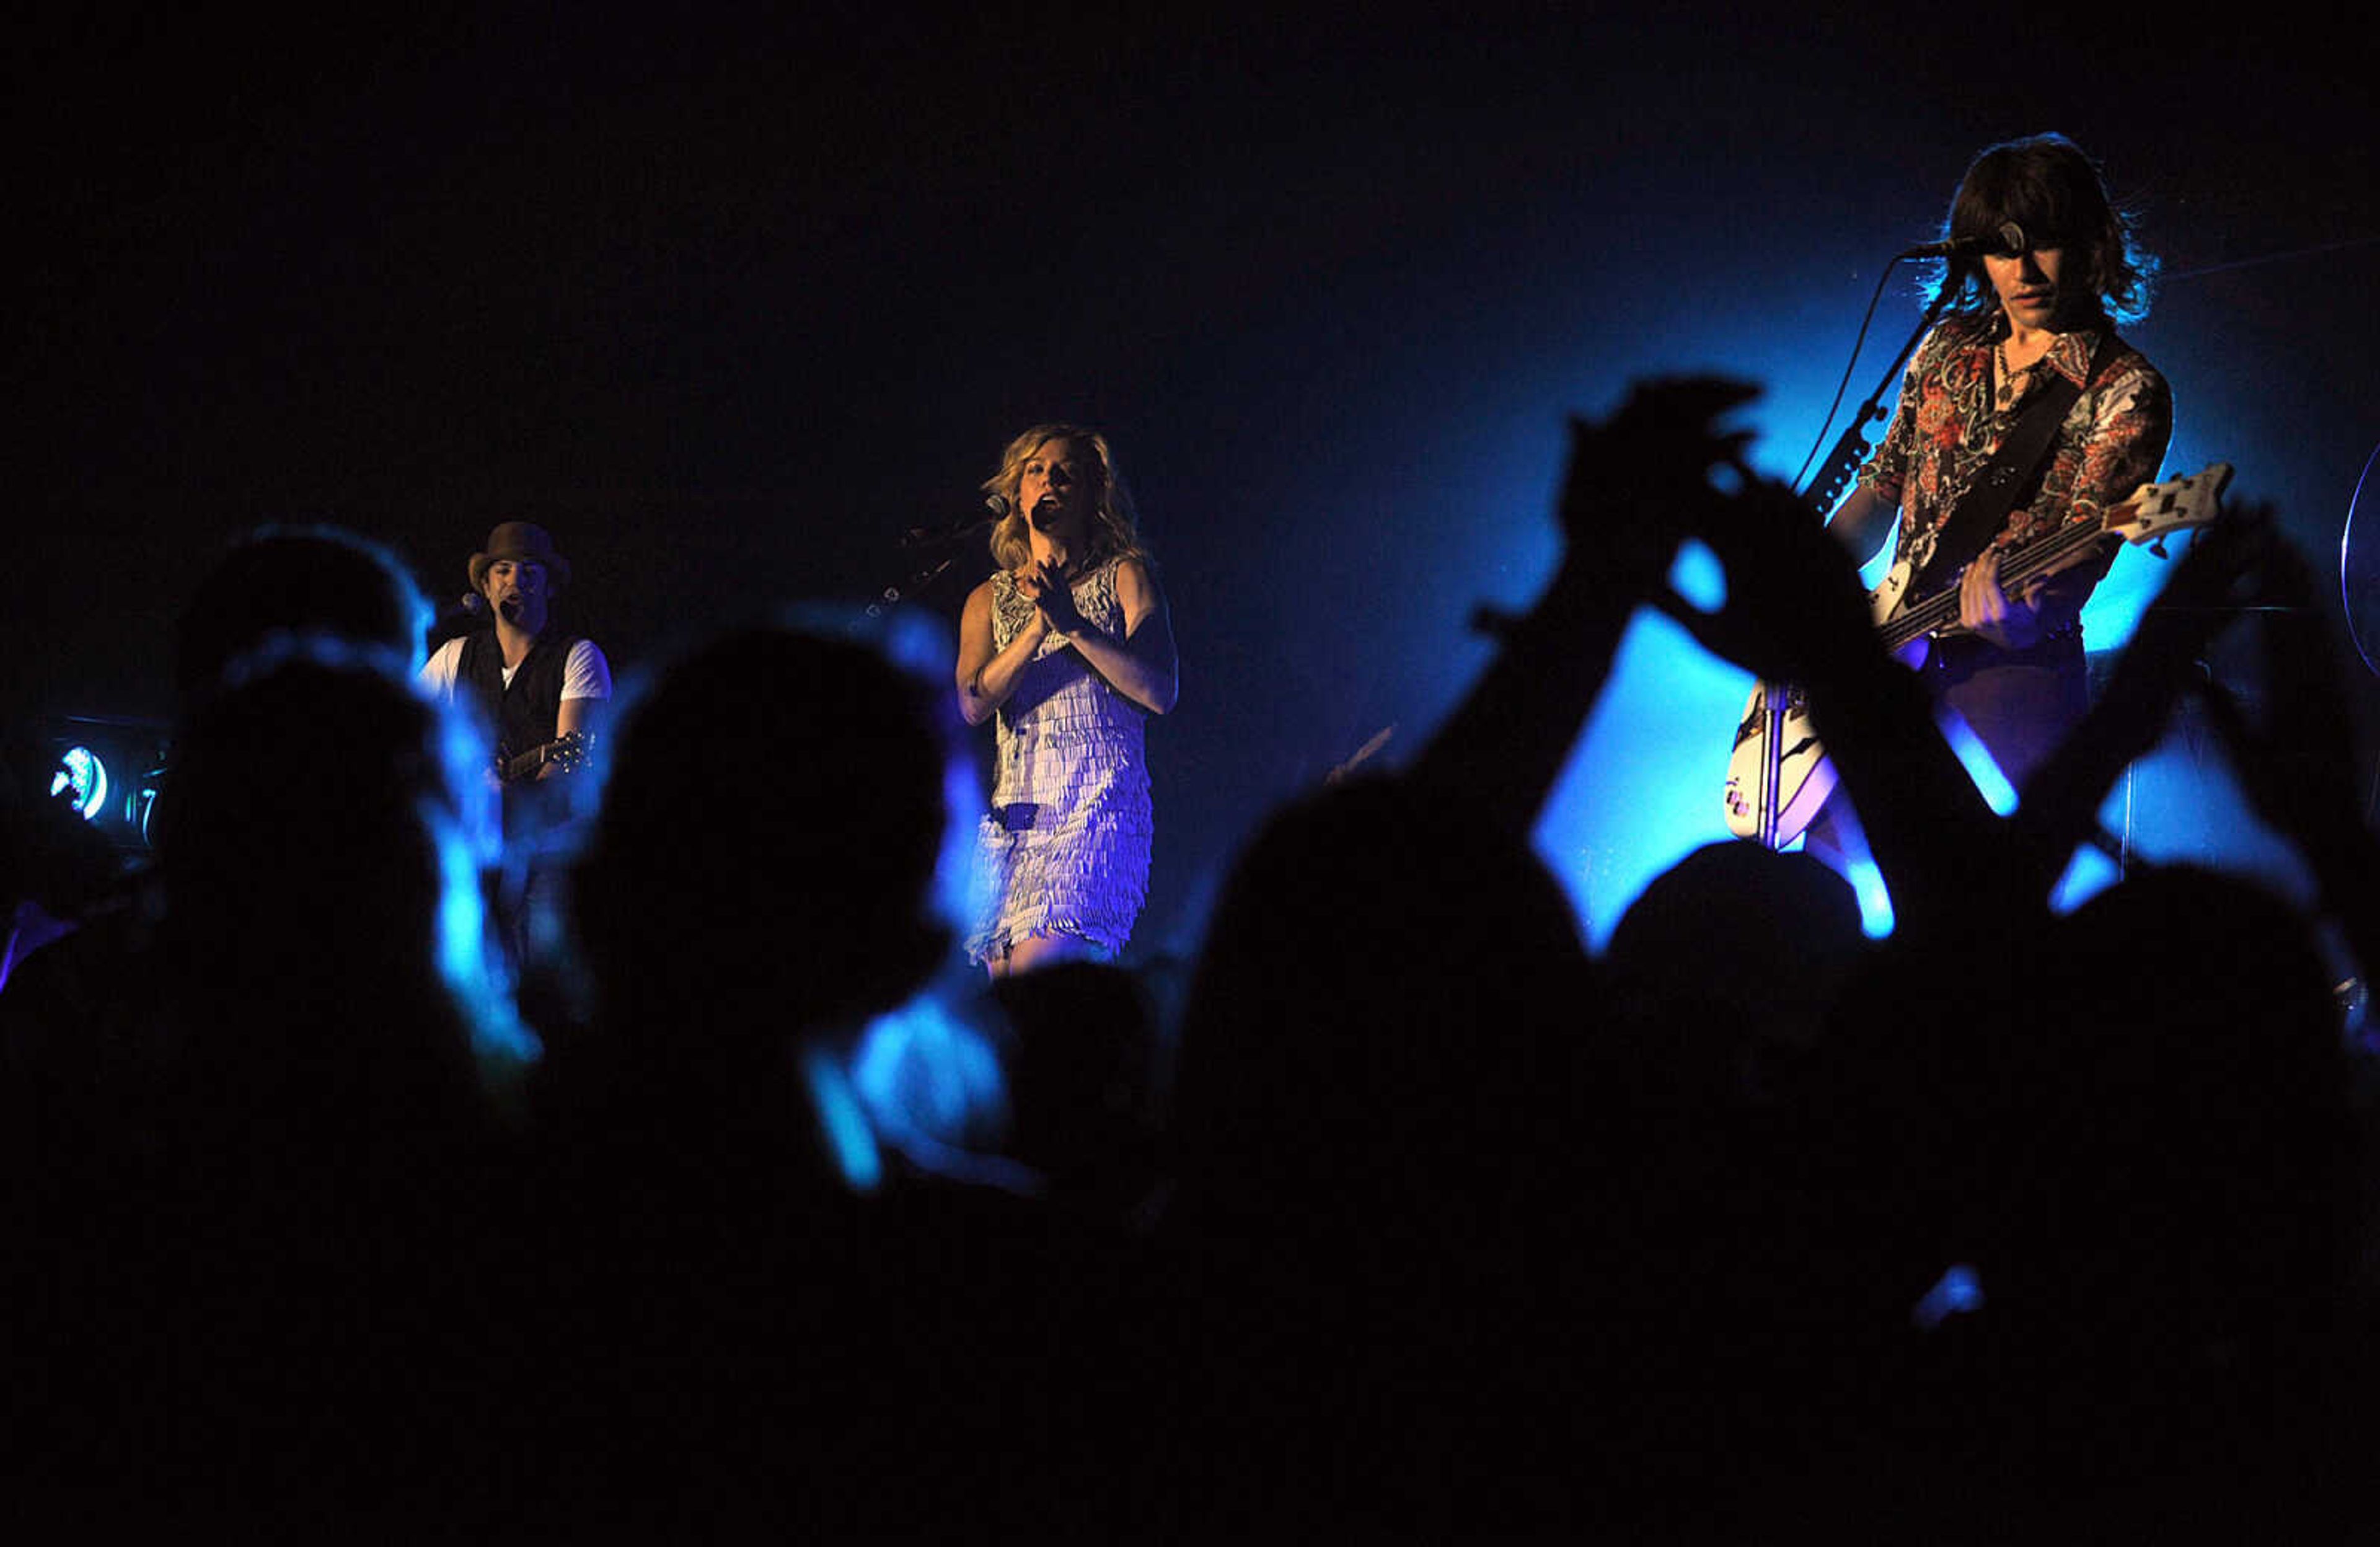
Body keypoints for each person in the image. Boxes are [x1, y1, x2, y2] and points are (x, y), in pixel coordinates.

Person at [1820, 132, 2172, 813]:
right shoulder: (1946, 347)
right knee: (1830, 873)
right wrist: (1813, 590)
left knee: (1986, 896)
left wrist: (2016, 621)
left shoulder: (2126, 388)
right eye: (2004, 248)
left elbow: (2083, 555)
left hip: (2012, 674)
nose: (2026, 271)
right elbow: (1881, 484)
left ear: (2089, 244)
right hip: (1889, 663)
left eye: (2044, 241)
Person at [956, 425, 1176, 977]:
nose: (1048, 482)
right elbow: (972, 704)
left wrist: (1073, 624)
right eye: (1035, 471)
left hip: (1094, 814)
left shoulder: (1125, 576)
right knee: (1003, 1010)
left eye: (1064, 473)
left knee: (1040, 980)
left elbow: (1160, 690)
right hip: (1013, 829)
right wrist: (1036, 628)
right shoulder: (987, 599)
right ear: (1018, 493)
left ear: (1090, 493)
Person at [418, 522, 611, 979]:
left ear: (548, 587)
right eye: (502, 571)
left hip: (547, 863)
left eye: (529, 573)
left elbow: (571, 760)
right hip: (469, 861)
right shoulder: (452, 656)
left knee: (540, 974)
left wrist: (509, 804)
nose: (514, 582)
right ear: (485, 588)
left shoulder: (578, 657)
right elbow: (411, 738)